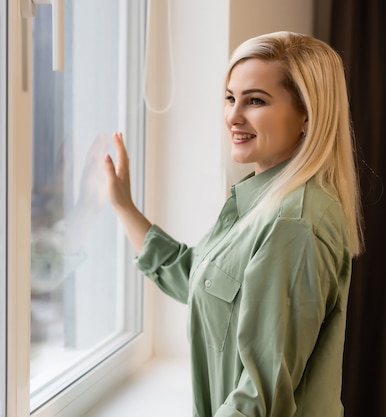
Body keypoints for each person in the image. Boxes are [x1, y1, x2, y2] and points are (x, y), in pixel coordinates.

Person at [104, 31, 364, 417]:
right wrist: (124, 206)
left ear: (307, 114)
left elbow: (259, 399)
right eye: (230, 98)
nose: (232, 116)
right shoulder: (258, 200)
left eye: (255, 101)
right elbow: (199, 278)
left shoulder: (293, 224)